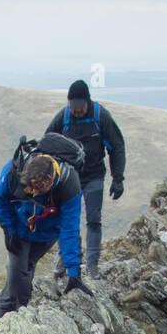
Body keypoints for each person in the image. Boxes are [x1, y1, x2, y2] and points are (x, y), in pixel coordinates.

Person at [0, 150, 91, 318]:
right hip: (20, 229)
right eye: (29, 188)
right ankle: (11, 311)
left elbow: (70, 231)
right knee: (17, 269)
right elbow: (0, 200)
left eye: (37, 190)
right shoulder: (15, 170)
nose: (32, 193)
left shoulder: (69, 188)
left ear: (51, 182)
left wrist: (73, 272)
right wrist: (9, 231)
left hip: (47, 234)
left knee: (27, 266)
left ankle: (14, 310)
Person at [45, 80, 126, 279]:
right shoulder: (63, 118)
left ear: (87, 102)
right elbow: (47, 143)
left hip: (94, 175)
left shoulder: (100, 116)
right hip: (68, 179)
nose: (76, 110)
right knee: (66, 220)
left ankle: (92, 266)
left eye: (80, 106)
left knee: (93, 220)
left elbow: (116, 146)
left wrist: (118, 179)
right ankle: (65, 262)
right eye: (73, 106)